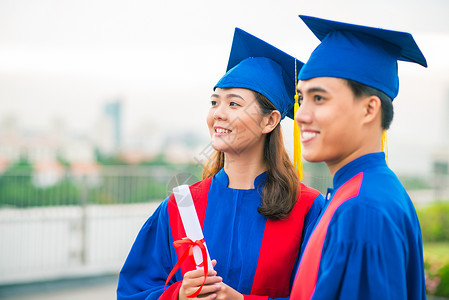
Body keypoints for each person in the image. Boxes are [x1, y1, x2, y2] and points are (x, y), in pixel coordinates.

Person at [117, 27, 325, 300]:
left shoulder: (306, 208)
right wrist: (178, 294)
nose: (218, 114)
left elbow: (322, 294)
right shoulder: (182, 205)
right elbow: (134, 291)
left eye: (234, 104)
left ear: (270, 121)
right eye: (214, 102)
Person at [290, 15, 428, 300]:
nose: (301, 114)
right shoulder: (369, 190)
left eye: (319, 98)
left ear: (369, 110)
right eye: (302, 98)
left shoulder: (362, 211)